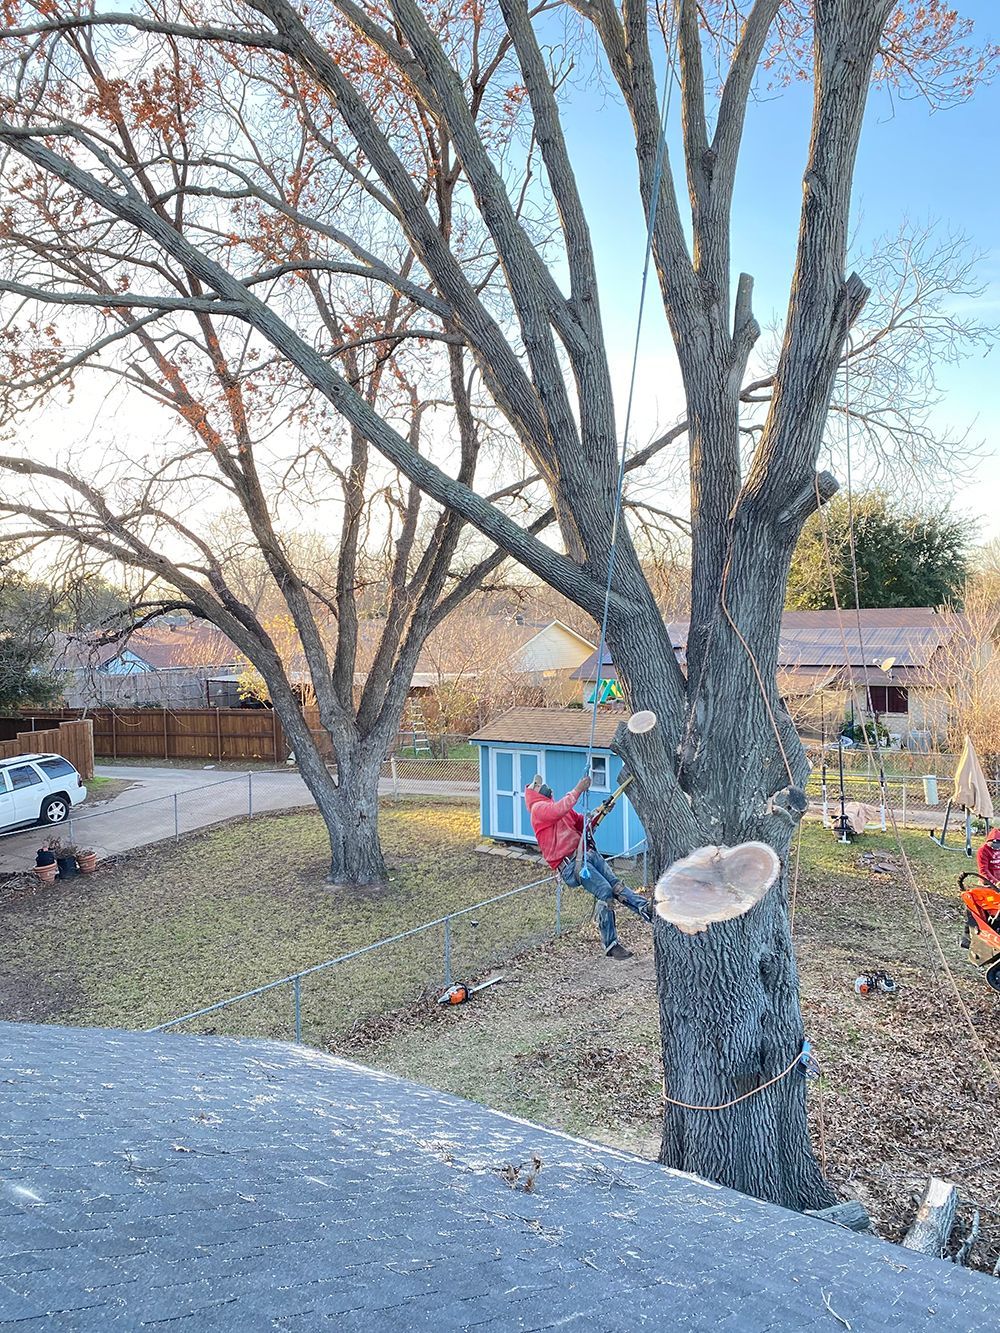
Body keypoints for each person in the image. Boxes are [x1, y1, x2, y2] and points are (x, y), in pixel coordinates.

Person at [525, 774, 653, 960]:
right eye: (538, 786)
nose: (544, 786)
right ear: (533, 793)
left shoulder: (555, 809)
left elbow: (581, 824)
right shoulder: (538, 809)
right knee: (605, 891)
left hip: (586, 854)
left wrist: (601, 813)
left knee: (616, 886)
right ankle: (611, 944)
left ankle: (645, 909)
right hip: (572, 864)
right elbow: (559, 809)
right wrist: (578, 789)